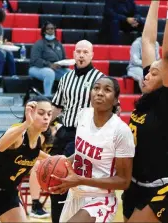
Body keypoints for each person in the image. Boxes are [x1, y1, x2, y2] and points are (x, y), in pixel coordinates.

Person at [122, 1, 168, 222]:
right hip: (133, 184)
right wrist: (154, 1)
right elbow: (148, 40)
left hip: (159, 189)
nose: (146, 75)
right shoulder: (150, 90)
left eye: (153, 73)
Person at [49, 76, 135, 223]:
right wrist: (59, 165)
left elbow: (124, 181)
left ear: (115, 100)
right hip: (74, 194)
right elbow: (82, 155)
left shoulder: (121, 131)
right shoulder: (84, 115)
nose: (99, 93)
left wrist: (81, 180)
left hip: (100, 200)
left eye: (107, 90)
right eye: (96, 88)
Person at [50, 39, 105, 223]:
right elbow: (57, 106)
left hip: (83, 136)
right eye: (78, 51)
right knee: (52, 177)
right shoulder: (65, 78)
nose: (81, 55)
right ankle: (57, 219)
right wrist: (45, 125)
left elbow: (113, 109)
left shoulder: (100, 79)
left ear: (92, 55)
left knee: (67, 178)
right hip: (64, 132)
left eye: (85, 52)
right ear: (73, 54)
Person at [28, 116, 63, 219]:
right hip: (28, 162)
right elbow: (33, 153)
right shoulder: (38, 133)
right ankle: (35, 204)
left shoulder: (62, 136)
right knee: (38, 165)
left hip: (48, 164)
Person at [29, 21, 70, 97]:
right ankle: (47, 96)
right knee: (49, 72)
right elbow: (35, 60)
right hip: (37, 68)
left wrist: (64, 64)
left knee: (71, 73)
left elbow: (64, 58)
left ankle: (67, 96)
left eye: (52, 28)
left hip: (56, 69)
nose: (51, 30)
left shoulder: (58, 44)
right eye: (48, 29)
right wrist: (49, 64)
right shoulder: (39, 44)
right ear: (44, 31)